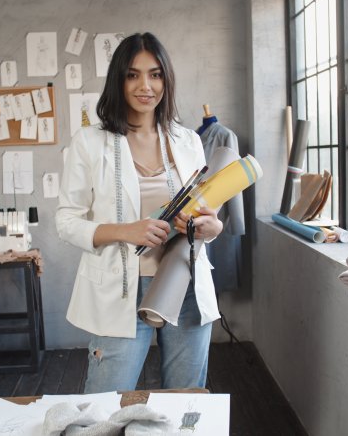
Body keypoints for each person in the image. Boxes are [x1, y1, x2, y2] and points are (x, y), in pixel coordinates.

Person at [56, 32, 223, 393]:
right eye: (133, 75)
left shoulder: (188, 141)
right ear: (119, 80)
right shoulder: (89, 142)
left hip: (186, 284)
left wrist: (212, 227)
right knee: (104, 409)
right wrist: (125, 231)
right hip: (122, 291)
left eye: (155, 74)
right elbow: (66, 222)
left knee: (185, 409)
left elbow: (206, 211)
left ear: (166, 79)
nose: (145, 85)